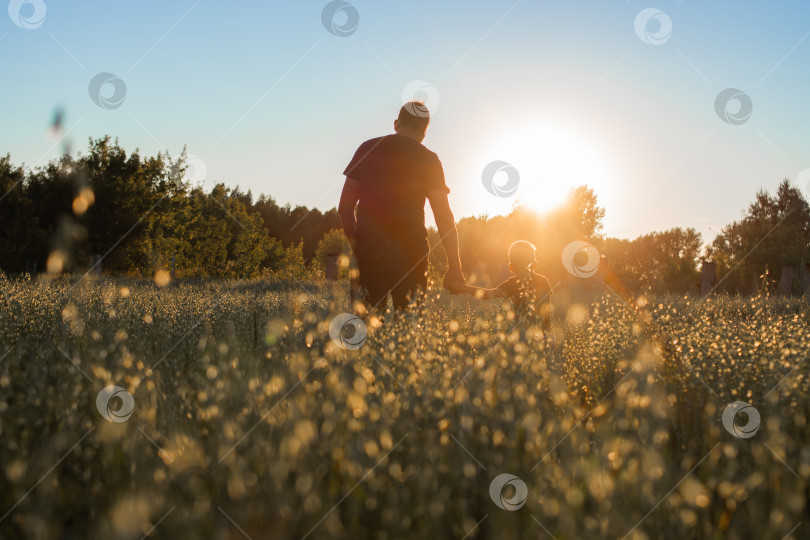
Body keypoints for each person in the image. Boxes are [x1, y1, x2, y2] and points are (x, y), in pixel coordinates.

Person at [338, 101, 467, 311]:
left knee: (366, 331)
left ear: (397, 124)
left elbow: (345, 207)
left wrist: (357, 244)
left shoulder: (367, 148)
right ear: (424, 133)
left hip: (370, 253)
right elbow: (443, 217)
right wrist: (455, 266)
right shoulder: (429, 159)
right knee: (408, 330)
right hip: (411, 256)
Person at [462, 240, 553, 329]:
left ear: (511, 267)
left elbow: (487, 295)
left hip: (523, 336)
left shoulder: (512, 284)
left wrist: (463, 288)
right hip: (545, 335)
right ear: (535, 264)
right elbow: (547, 312)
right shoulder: (543, 281)